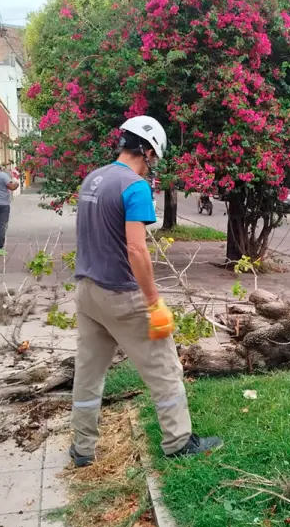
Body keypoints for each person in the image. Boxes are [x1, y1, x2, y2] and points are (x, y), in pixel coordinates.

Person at [69, 115, 222, 467]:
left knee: (89, 374)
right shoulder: (134, 187)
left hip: (87, 292)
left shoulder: (93, 179)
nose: (153, 164)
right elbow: (136, 250)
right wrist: (153, 303)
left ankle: (82, 448)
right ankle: (179, 442)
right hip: (122, 297)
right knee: (165, 368)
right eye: (154, 157)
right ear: (149, 151)